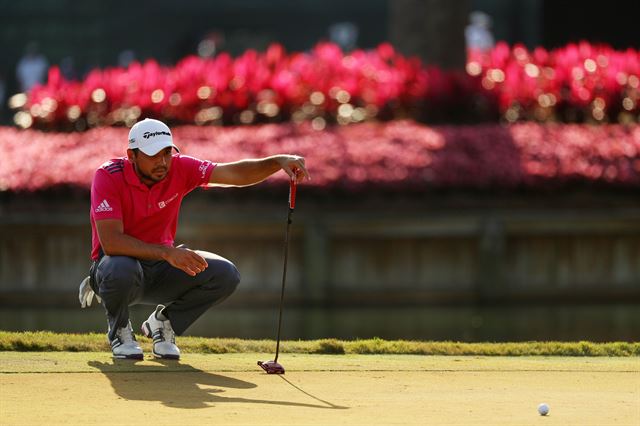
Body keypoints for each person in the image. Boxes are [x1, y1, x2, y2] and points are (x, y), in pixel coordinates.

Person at [78, 118, 309, 360]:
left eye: (167, 152)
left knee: (224, 274)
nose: (162, 161)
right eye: (153, 155)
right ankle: (120, 331)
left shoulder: (180, 168)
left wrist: (277, 161)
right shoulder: (108, 175)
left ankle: (162, 324)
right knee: (119, 266)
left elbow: (233, 174)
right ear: (132, 155)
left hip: (159, 268)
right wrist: (168, 253)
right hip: (118, 269)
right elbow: (112, 243)